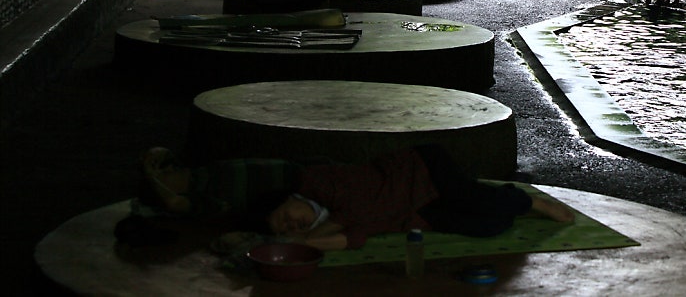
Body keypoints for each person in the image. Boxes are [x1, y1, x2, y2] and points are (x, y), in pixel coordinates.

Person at [137, 145, 575, 252]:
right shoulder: (323, 222)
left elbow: (359, 219)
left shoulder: (316, 182)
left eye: (285, 217)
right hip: (414, 209)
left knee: (467, 195)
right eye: (290, 229)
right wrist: (298, 243)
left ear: (286, 198)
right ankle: (514, 205)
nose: (293, 223)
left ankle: (526, 199)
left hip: (420, 169)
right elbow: (357, 236)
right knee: (484, 226)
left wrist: (312, 238)